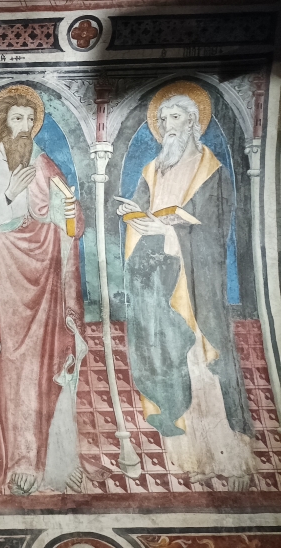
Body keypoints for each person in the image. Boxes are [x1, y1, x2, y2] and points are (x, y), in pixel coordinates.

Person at [117, 82, 255, 491]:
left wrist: (172, 231)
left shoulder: (211, 171)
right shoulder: (152, 170)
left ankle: (231, 459)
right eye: (161, 120)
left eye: (174, 117)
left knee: (203, 364)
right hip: (160, 284)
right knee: (172, 364)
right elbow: (140, 221)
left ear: (194, 122)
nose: (166, 126)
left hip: (196, 285)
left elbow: (216, 231)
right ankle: (192, 459)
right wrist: (139, 221)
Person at [0, 84, 96, 496]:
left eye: (29, 120)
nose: (24, 127)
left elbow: (71, 222)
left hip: (45, 278)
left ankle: (58, 460)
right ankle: (20, 460)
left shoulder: (45, 165)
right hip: (3, 277)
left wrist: (70, 214)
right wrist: (8, 194)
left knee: (48, 361)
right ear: (2, 123)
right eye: (16, 118)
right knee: (11, 366)